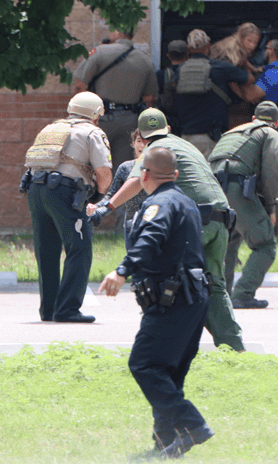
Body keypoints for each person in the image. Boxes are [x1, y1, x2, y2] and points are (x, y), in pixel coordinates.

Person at [91, 108, 245, 352]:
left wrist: (106, 208)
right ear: (168, 129)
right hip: (221, 218)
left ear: (141, 136)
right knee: (213, 285)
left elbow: (135, 181)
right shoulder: (186, 147)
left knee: (163, 278)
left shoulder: (154, 150)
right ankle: (234, 348)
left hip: (194, 222)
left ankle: (163, 347)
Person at [98, 145, 213, 460]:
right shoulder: (186, 201)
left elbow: (151, 239)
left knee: (144, 364)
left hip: (170, 298)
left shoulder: (157, 205)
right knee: (168, 372)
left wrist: (122, 271)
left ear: (144, 175)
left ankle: (192, 425)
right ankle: (165, 446)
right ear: (175, 175)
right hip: (195, 296)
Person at [21, 92, 112, 323]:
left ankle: (49, 309)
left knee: (46, 251)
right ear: (94, 114)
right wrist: (99, 196)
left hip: (35, 189)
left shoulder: (50, 129)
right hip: (65, 193)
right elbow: (103, 172)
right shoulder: (92, 132)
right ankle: (68, 309)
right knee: (79, 248)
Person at [209, 101, 278, 310]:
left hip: (213, 190)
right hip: (237, 190)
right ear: (276, 123)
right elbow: (271, 173)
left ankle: (220, 296)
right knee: (265, 244)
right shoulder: (271, 134)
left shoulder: (232, 133)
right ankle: (242, 294)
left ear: (253, 119)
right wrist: (271, 207)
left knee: (228, 242)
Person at [72, 23, 157, 167]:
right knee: (122, 168)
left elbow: (80, 85)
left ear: (117, 32)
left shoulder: (99, 52)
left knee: (93, 166)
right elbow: (150, 98)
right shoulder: (144, 59)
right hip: (130, 120)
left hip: (100, 118)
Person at [167, 29, 249, 158]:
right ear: (208, 46)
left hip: (186, 137)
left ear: (188, 48)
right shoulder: (219, 68)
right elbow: (248, 78)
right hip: (211, 137)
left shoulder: (178, 71)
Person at [103, 129, 148, 237]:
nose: (142, 145)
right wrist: (97, 208)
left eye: (146, 141)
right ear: (133, 143)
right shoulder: (125, 167)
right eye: (138, 141)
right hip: (130, 223)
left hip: (152, 220)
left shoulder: (158, 167)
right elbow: (111, 195)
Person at [254, 38, 278, 147]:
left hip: (272, 131)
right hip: (272, 130)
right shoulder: (273, 70)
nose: (264, 52)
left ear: (271, 51)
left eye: (266, 48)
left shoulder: (275, 73)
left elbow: (251, 95)